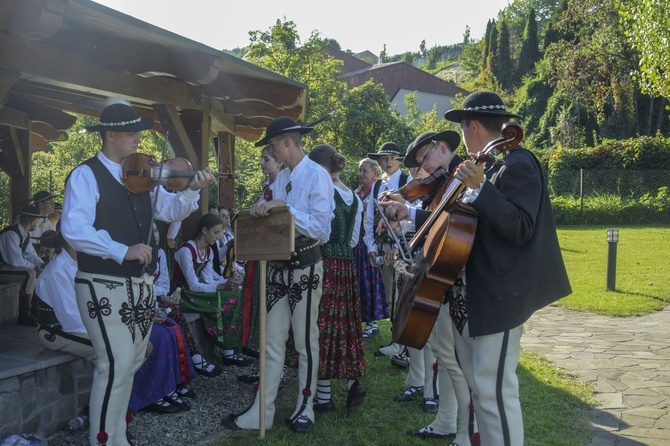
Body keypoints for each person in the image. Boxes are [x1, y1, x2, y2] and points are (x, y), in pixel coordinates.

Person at [61, 100, 214, 446]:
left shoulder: (142, 176)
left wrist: (192, 188)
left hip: (140, 287)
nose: (137, 141)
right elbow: (74, 228)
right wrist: (121, 250)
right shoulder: (86, 175)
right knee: (112, 364)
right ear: (111, 135)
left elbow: (170, 208)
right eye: (131, 134)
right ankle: (102, 441)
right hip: (101, 284)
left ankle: (117, 437)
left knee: (129, 363)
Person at [441, 90, 571, 445]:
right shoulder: (489, 166)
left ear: (474, 127)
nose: (464, 140)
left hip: (500, 295)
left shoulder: (518, 164)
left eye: (464, 130)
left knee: (495, 390)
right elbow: (466, 226)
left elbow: (520, 226)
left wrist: (480, 187)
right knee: (480, 388)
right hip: (475, 294)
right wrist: (415, 216)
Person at [222, 116, 334, 434]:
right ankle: (262, 412)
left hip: (306, 266)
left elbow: (321, 229)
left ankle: (305, 406)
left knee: (304, 341)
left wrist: (285, 209)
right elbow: (268, 210)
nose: (270, 151)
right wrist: (260, 208)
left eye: (271, 145)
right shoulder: (280, 177)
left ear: (286, 141)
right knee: (270, 342)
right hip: (275, 267)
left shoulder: (317, 176)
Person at [381, 130, 473, 443]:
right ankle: (447, 421)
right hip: (440, 275)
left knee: (454, 361)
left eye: (425, 159)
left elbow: (449, 221)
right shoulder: (443, 181)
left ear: (443, 147)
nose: (423, 169)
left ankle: (465, 430)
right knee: (445, 357)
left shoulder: (463, 178)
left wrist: (411, 211)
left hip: (455, 280)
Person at [307, 144, 366, 413]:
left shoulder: (324, 191)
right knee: (345, 325)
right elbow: (354, 240)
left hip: (326, 263)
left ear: (320, 168)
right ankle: (353, 382)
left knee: (322, 327)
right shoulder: (356, 197)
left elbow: (320, 233)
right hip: (347, 266)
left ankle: (323, 398)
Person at [172, 213, 247, 366]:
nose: (219, 237)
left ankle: (229, 350)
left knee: (237, 294)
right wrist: (222, 286)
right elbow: (193, 284)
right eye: (216, 232)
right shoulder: (186, 251)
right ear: (204, 230)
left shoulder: (208, 251)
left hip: (197, 291)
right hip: (183, 293)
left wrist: (230, 282)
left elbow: (208, 279)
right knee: (230, 299)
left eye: (220, 233)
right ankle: (227, 349)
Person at [363, 142, 409, 357]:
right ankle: (396, 340)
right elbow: (369, 218)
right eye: (384, 158)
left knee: (404, 295)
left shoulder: (407, 180)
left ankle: (405, 343)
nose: (388, 161)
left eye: (393, 157)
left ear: (400, 160)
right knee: (391, 295)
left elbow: (412, 217)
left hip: (404, 247)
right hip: (383, 247)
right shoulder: (377, 186)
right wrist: (372, 247)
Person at [354, 158, 388, 341]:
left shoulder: (379, 189)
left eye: (365, 171)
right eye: (360, 170)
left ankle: (372, 323)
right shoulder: (358, 192)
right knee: (361, 282)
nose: (361, 174)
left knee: (370, 283)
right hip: (359, 243)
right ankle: (364, 321)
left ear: (375, 173)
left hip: (371, 242)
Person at [0, 205, 45, 326]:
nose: (37, 223)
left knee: (35, 272)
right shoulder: (11, 234)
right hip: (2, 268)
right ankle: (24, 314)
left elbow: (31, 254)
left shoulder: (24, 235)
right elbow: (16, 261)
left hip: (7, 267)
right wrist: (34, 268)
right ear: (32, 221)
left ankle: (34, 311)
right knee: (28, 274)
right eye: (37, 221)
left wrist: (41, 265)